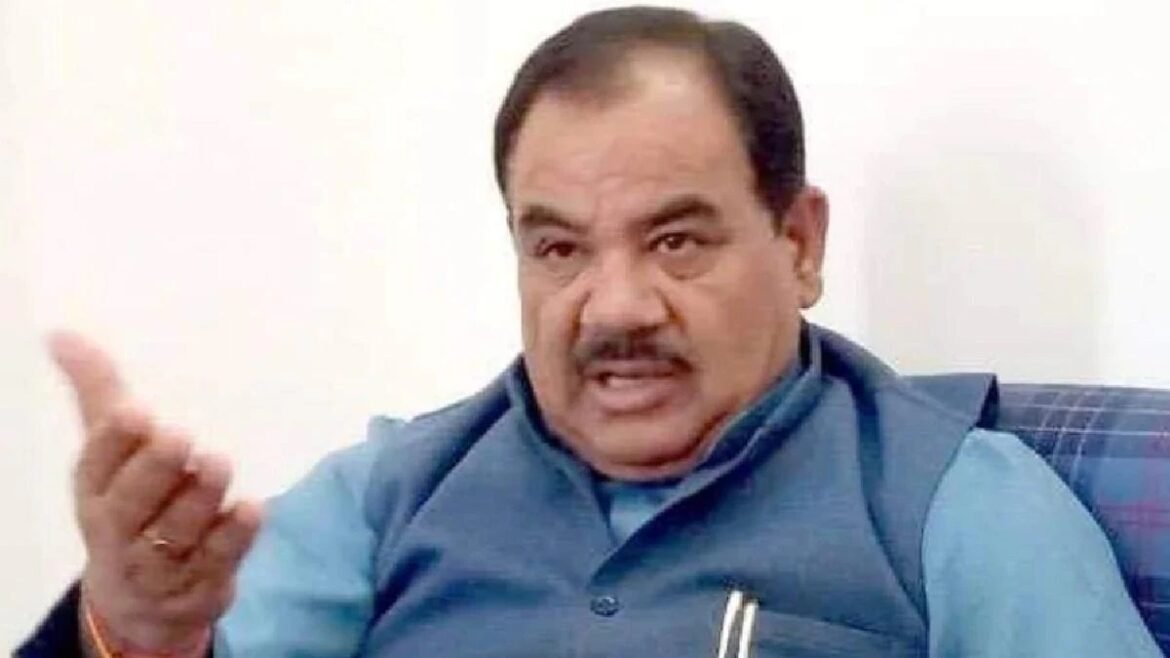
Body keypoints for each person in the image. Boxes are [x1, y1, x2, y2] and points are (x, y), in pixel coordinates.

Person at [17, 6, 1162, 658]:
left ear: (799, 241)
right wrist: (131, 629)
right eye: (560, 248)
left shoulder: (959, 506)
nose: (615, 307)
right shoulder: (385, 496)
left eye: (677, 240)